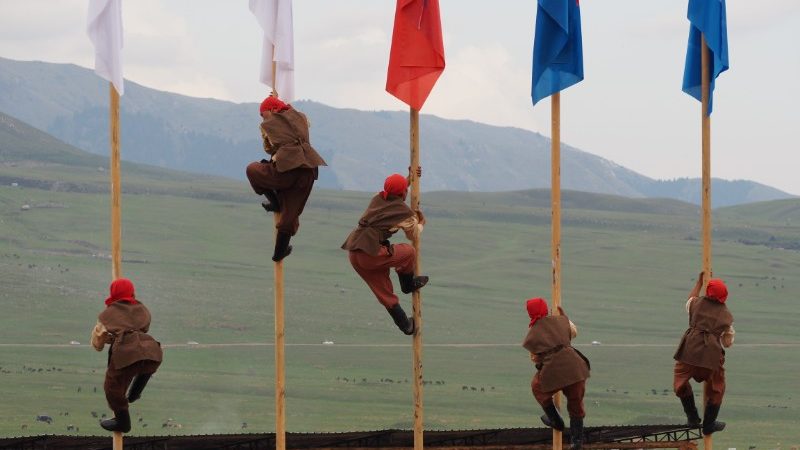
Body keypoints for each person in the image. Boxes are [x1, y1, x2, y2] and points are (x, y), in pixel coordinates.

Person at [341, 171, 428, 335]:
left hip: (354, 252)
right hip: (371, 253)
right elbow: (413, 234)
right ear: (404, 193)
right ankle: (407, 284)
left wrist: (410, 178)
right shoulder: (404, 214)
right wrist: (421, 223)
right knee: (409, 252)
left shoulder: (377, 198)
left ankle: (406, 325)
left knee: (383, 290)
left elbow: (397, 191)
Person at [245, 95, 327, 262]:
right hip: (306, 169)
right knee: (289, 215)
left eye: (263, 113)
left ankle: (279, 249)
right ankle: (279, 252)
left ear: (272, 110)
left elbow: (269, 149)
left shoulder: (270, 124)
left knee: (253, 170)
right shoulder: (300, 117)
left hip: (290, 170)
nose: (262, 117)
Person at [91, 278, 163, 433]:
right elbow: (142, 328)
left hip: (127, 355)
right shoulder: (142, 309)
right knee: (144, 367)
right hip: (152, 351)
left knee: (112, 388)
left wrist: (112, 337)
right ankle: (135, 393)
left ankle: (123, 422)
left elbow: (98, 343)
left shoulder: (106, 315)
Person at [522, 298, 590, 450]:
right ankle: (576, 442)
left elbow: (535, 358)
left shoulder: (532, 335)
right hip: (576, 367)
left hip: (555, 370)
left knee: (537, 387)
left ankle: (555, 420)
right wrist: (560, 317)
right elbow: (573, 332)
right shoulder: (561, 321)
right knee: (576, 403)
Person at [673, 272, 735, 436]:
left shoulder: (696, 303)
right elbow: (728, 343)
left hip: (689, 353)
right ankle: (708, 424)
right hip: (711, 358)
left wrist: (699, 283)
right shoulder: (727, 316)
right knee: (717, 387)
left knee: (680, 382)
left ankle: (692, 418)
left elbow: (690, 300)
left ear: (708, 291)